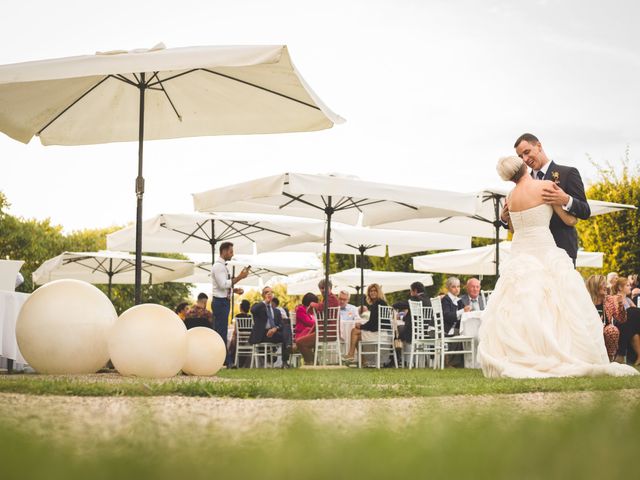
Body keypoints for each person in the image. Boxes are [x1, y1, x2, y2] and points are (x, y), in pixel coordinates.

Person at [478, 155, 637, 378]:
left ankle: (522, 353)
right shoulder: (545, 186)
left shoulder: (511, 197)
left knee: (521, 305)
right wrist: (560, 201)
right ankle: (558, 351)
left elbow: (512, 227)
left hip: (520, 253)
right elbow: (570, 221)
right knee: (559, 304)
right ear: (524, 166)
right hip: (544, 248)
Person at [502, 133, 591, 266]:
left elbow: (585, 211)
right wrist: (504, 219)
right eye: (521, 157)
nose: (525, 159)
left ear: (538, 146)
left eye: (527, 152)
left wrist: (566, 199)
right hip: (529, 255)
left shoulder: (568, 173)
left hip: (561, 251)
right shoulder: (521, 185)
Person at [211, 242, 250, 366]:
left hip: (223, 301)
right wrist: (240, 277)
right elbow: (223, 284)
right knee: (221, 332)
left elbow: (223, 286)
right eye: (231, 251)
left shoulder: (222, 266)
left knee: (221, 331)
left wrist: (234, 290)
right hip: (220, 302)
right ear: (223, 251)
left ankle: (222, 360)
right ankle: (226, 361)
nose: (232, 254)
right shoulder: (218, 266)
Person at [343, 283, 388, 363]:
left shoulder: (377, 304)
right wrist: (362, 326)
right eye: (371, 291)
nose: (372, 292)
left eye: (375, 291)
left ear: (378, 292)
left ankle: (351, 355)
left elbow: (372, 324)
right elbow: (374, 323)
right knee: (356, 337)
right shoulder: (381, 303)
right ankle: (363, 361)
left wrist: (361, 326)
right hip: (383, 332)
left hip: (378, 333)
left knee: (354, 331)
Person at [249, 286, 290, 368]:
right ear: (262, 295)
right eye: (266, 292)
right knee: (286, 335)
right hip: (262, 334)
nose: (269, 294)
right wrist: (265, 302)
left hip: (273, 333)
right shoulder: (259, 306)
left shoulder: (276, 311)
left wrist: (275, 329)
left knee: (286, 329)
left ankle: (284, 361)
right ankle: (284, 352)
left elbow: (281, 324)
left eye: (271, 292)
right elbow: (253, 310)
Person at [604, 277, 640, 365]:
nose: (630, 287)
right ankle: (622, 353)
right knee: (632, 311)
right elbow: (616, 316)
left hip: (629, 327)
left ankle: (637, 355)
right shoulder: (614, 299)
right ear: (620, 288)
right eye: (627, 285)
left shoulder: (628, 300)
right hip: (618, 324)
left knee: (634, 328)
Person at [585, 274, 618, 361]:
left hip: (604, 329)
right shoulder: (586, 301)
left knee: (612, 329)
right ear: (595, 286)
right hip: (589, 329)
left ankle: (610, 358)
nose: (606, 286)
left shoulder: (609, 300)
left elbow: (621, 319)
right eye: (603, 284)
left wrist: (620, 306)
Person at [294, 293, 319, 364]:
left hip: (310, 333)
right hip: (302, 334)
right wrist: (316, 322)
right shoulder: (301, 309)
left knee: (316, 333)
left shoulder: (312, 310)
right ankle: (312, 360)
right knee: (309, 329)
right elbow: (308, 322)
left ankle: (312, 360)